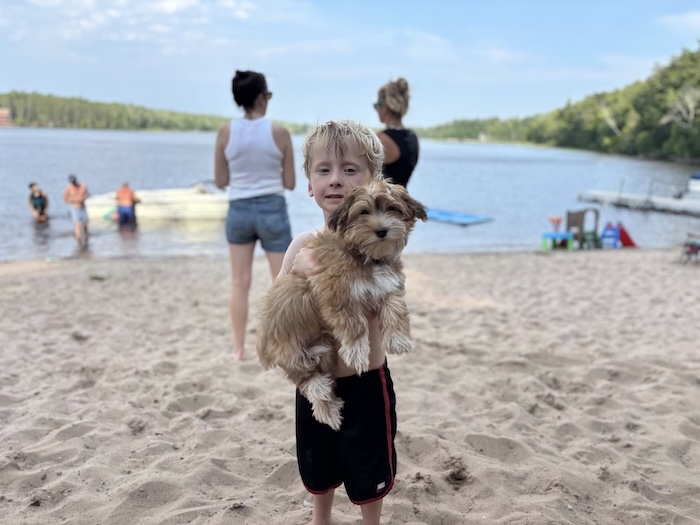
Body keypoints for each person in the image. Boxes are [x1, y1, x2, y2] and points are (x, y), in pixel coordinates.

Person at [278, 120, 396, 525]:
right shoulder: (299, 245)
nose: (335, 180)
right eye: (323, 169)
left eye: (350, 169)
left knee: (369, 470)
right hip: (317, 383)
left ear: (373, 180)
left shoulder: (376, 241)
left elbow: (377, 303)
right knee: (318, 466)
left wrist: (326, 274)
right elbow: (280, 312)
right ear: (309, 183)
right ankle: (320, 519)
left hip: (365, 381)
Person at [214, 70, 296, 361]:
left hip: (239, 209)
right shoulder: (280, 132)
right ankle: (284, 345)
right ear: (262, 98)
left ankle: (239, 350)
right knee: (281, 281)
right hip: (272, 208)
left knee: (239, 282)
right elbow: (289, 183)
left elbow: (221, 180)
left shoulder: (226, 132)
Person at [374, 77, 419, 188]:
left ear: (384, 108)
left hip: (384, 202)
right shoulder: (413, 138)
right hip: (404, 201)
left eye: (376, 106)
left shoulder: (380, 139)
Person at [63, 174, 89, 244]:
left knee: (86, 224)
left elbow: (88, 194)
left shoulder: (83, 186)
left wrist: (84, 197)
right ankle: (79, 241)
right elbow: (65, 199)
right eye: (72, 182)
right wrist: (75, 199)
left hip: (83, 207)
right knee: (78, 225)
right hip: (75, 208)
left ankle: (86, 239)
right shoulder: (68, 188)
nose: (73, 183)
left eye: (74, 181)